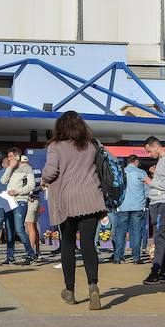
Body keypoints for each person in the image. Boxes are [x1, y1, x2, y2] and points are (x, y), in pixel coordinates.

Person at [41, 111, 106, 310]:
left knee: (68, 245)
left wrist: (43, 178)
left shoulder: (56, 146)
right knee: (88, 245)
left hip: (67, 201)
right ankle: (93, 285)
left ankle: (69, 290)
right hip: (92, 200)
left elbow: (51, 172)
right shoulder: (92, 145)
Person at [142, 137, 165, 284]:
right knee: (161, 236)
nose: (149, 154)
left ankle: (156, 271)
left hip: (162, 202)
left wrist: (151, 182)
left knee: (158, 236)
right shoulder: (163, 160)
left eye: (149, 151)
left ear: (156, 146)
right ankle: (163, 272)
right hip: (159, 202)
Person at [0, 148, 37, 264]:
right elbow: (3, 181)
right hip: (8, 200)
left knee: (19, 229)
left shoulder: (27, 168)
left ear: (17, 157)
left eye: (11, 156)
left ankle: (31, 254)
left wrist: (17, 191)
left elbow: (31, 185)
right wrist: (9, 167)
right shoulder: (10, 169)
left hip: (20, 200)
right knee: (9, 229)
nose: (9, 159)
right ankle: (10, 256)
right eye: (8, 157)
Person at [110, 155, 149, 264]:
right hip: (138, 206)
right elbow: (147, 191)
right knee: (136, 232)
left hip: (123, 206)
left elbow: (115, 188)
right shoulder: (141, 173)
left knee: (120, 232)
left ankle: (117, 257)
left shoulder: (121, 173)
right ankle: (136, 258)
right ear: (136, 161)